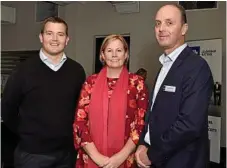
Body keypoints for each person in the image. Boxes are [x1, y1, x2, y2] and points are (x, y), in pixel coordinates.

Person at [135, 4, 213, 168]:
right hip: (158, 158)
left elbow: (189, 125)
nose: (161, 28)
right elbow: (153, 112)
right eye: (158, 23)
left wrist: (152, 154)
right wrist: (143, 142)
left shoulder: (197, 67)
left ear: (184, 28)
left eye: (169, 23)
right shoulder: (164, 66)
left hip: (181, 161)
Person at [1, 16, 86, 168]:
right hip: (31, 155)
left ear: (67, 39)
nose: (55, 39)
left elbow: (80, 110)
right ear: (41, 37)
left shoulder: (77, 71)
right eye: (49, 33)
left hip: (66, 154)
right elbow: (7, 110)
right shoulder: (23, 70)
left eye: (60, 34)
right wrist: (27, 134)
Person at [73, 34, 149, 168]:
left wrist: (119, 158)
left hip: (125, 159)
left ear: (126, 54)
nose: (114, 55)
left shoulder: (137, 84)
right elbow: (80, 123)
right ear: (102, 55)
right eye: (109, 50)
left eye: (119, 50)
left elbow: (140, 124)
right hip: (91, 158)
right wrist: (97, 157)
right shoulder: (90, 83)